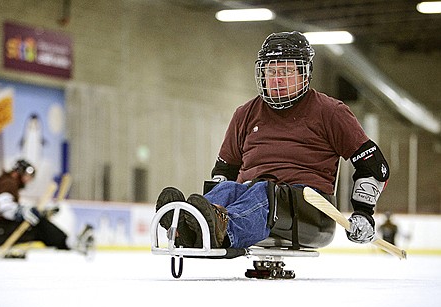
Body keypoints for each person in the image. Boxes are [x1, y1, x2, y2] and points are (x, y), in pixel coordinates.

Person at [155, 31, 390, 250]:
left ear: (304, 74)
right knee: (229, 188)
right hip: (253, 195)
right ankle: (189, 225)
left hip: (308, 209)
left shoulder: (331, 112)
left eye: (286, 72)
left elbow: (372, 165)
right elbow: (225, 170)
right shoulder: (245, 113)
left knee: (264, 191)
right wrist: (219, 194)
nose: (277, 79)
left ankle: (222, 228)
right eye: (271, 72)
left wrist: (363, 213)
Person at [0, 159, 94, 255]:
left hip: (0, 230)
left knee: (39, 225)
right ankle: (69, 243)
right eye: (27, 176)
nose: (28, 180)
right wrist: (24, 212)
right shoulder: (7, 183)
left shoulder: (9, 183)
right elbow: (5, 209)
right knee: (39, 225)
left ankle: (67, 242)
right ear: (18, 173)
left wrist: (41, 213)